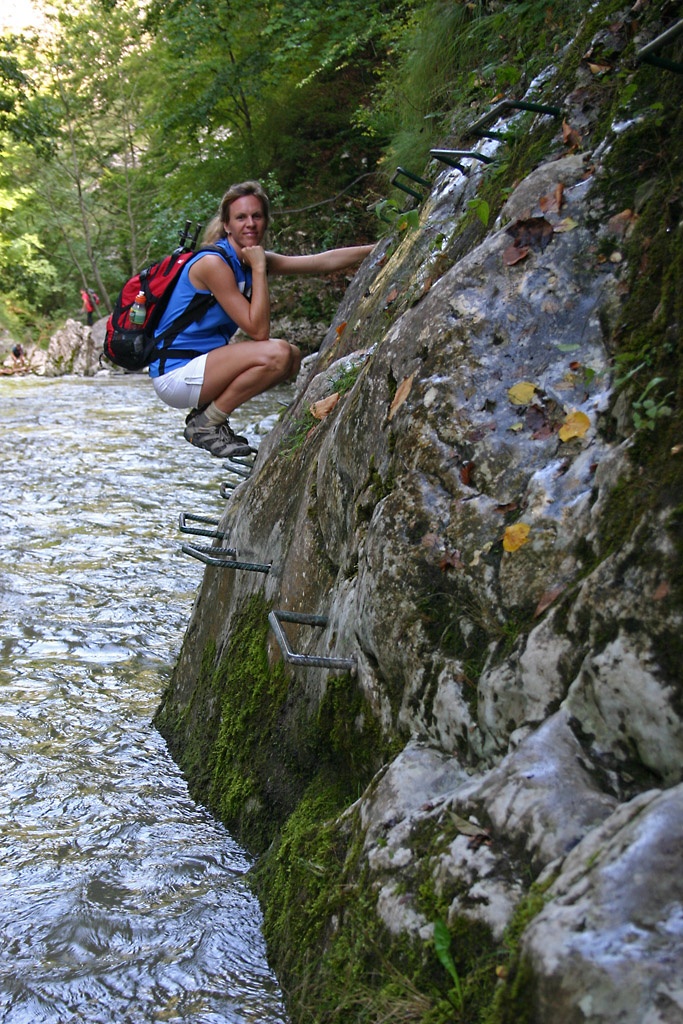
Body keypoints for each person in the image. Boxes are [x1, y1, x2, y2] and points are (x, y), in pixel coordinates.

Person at [148, 180, 375, 457]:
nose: (250, 224)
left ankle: (209, 417)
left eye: (257, 216)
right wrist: (258, 268)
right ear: (227, 225)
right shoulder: (214, 263)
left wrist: (377, 249)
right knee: (277, 353)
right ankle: (206, 424)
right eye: (241, 217)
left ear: (266, 221)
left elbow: (319, 261)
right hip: (176, 373)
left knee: (291, 358)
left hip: (201, 367)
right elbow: (258, 331)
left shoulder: (249, 258)